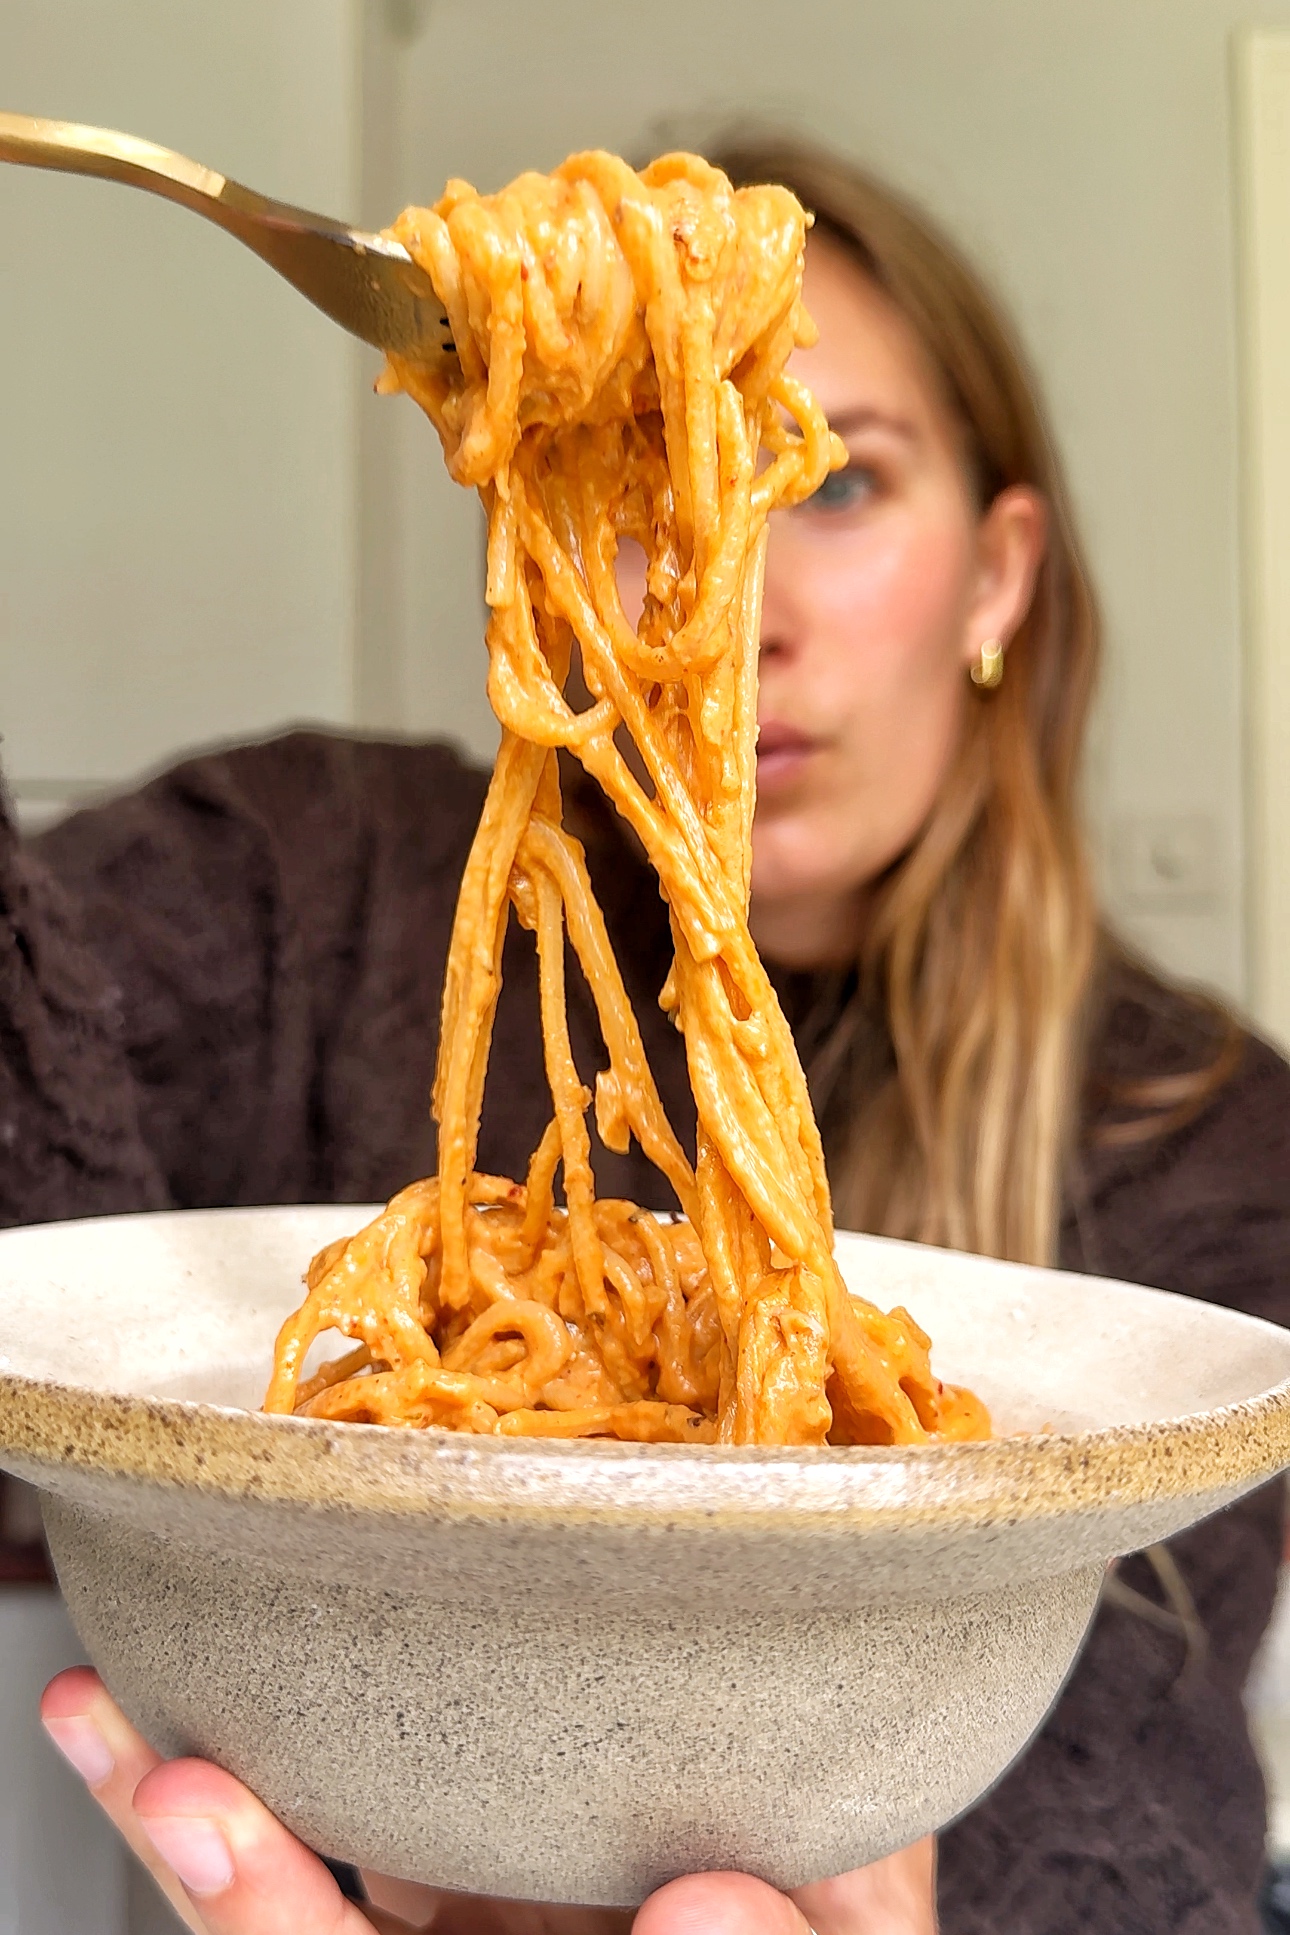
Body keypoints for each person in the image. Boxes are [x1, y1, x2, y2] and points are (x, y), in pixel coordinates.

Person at [8, 135, 1289, 1934]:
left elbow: (1137, 1810)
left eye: (829, 483)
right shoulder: (315, 885)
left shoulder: (1220, 1151)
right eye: (625, 472)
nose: (726, 586)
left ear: (998, 580)